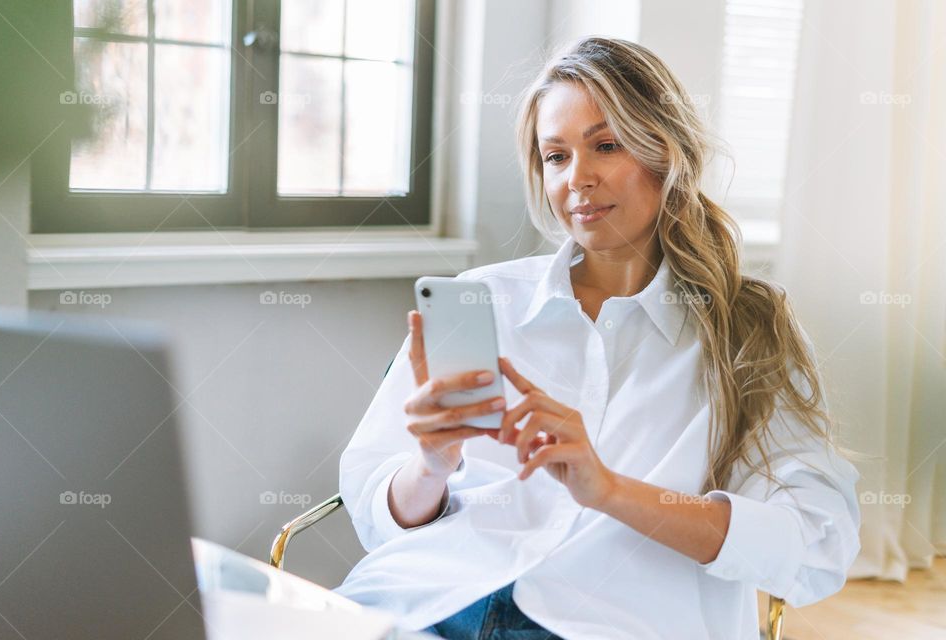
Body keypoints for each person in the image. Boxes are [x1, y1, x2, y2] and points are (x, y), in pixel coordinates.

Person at [332, 37, 861, 640]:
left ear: (667, 152)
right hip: (425, 605)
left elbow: (819, 547)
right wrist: (430, 464)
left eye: (605, 146)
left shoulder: (749, 331)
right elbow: (376, 513)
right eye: (555, 156)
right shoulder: (484, 299)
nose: (577, 179)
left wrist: (609, 490)